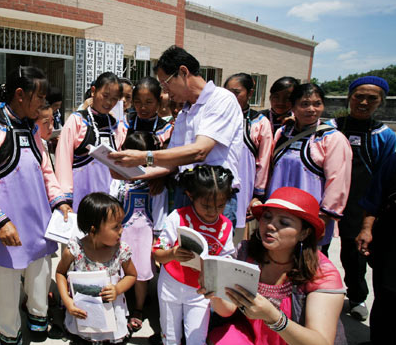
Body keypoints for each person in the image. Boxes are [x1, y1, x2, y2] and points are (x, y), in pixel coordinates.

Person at [0, 66, 72, 345]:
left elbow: (46, 172)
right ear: (20, 94)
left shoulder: (32, 129)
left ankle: (38, 321)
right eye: (39, 97)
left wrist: (59, 201)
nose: (43, 103)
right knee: (6, 288)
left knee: (39, 279)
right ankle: (10, 336)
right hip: (5, 228)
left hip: (37, 224)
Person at [207, 187, 347, 345]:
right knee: (217, 344)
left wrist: (274, 317)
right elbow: (228, 310)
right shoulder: (247, 252)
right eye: (267, 217)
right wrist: (214, 293)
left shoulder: (322, 273)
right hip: (251, 337)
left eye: (284, 222)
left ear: (304, 233)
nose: (271, 226)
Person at [109, 46, 243, 214]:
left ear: (183, 72)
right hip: (186, 194)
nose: (165, 92)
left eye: (166, 83)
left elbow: (199, 151)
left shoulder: (221, 99)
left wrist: (144, 157)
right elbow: (172, 162)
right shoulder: (184, 113)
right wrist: (132, 173)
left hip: (214, 199)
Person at [328, 76, 395, 322]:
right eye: (358, 96)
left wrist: (371, 219)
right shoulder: (330, 126)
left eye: (372, 98)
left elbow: (383, 180)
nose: (363, 102)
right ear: (349, 98)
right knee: (317, 251)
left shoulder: (384, 135)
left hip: (360, 205)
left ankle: (357, 297)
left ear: (380, 103)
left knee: (354, 257)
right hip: (328, 203)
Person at [152, 165, 236, 345]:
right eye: (206, 205)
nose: (213, 211)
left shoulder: (226, 226)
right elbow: (157, 252)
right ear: (191, 196)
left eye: (220, 205)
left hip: (200, 291)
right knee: (170, 334)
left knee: (197, 341)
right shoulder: (177, 218)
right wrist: (172, 254)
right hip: (170, 285)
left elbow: (226, 257)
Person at [266, 83, 352, 254]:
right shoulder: (282, 133)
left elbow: (338, 181)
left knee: (306, 261)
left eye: (317, 103)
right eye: (305, 104)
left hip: (310, 216)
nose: (311, 109)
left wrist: (323, 218)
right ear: (293, 106)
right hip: (278, 211)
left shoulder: (332, 138)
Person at [55, 192, 137, 345]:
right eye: (116, 226)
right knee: (81, 343)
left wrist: (117, 289)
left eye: (121, 224)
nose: (121, 230)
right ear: (94, 230)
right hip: (83, 312)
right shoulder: (75, 249)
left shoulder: (121, 250)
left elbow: (131, 275)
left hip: (111, 312)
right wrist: (67, 300)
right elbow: (60, 273)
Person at [110, 132, 167, 333]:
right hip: (121, 233)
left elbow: (159, 210)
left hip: (143, 234)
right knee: (117, 271)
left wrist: (158, 237)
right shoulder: (119, 179)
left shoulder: (155, 184)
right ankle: (118, 306)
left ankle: (139, 308)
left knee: (141, 273)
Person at [55, 72, 126, 211]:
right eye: (105, 96)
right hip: (80, 197)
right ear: (93, 91)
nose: (108, 102)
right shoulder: (77, 121)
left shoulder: (116, 126)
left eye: (114, 99)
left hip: (107, 198)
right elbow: (63, 161)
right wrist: (65, 198)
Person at [356, 150, 396, 345]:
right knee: (386, 295)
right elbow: (375, 195)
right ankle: (380, 344)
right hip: (391, 240)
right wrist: (366, 228)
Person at [223, 73, 273, 241]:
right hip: (220, 183)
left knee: (238, 234)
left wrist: (257, 193)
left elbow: (264, 161)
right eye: (227, 92)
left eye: (236, 92)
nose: (231, 97)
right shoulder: (218, 117)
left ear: (250, 93)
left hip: (245, 185)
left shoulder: (258, 122)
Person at [124, 76, 173, 148]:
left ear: (159, 101)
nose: (143, 107)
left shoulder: (166, 130)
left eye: (149, 102)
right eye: (138, 102)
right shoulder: (125, 123)